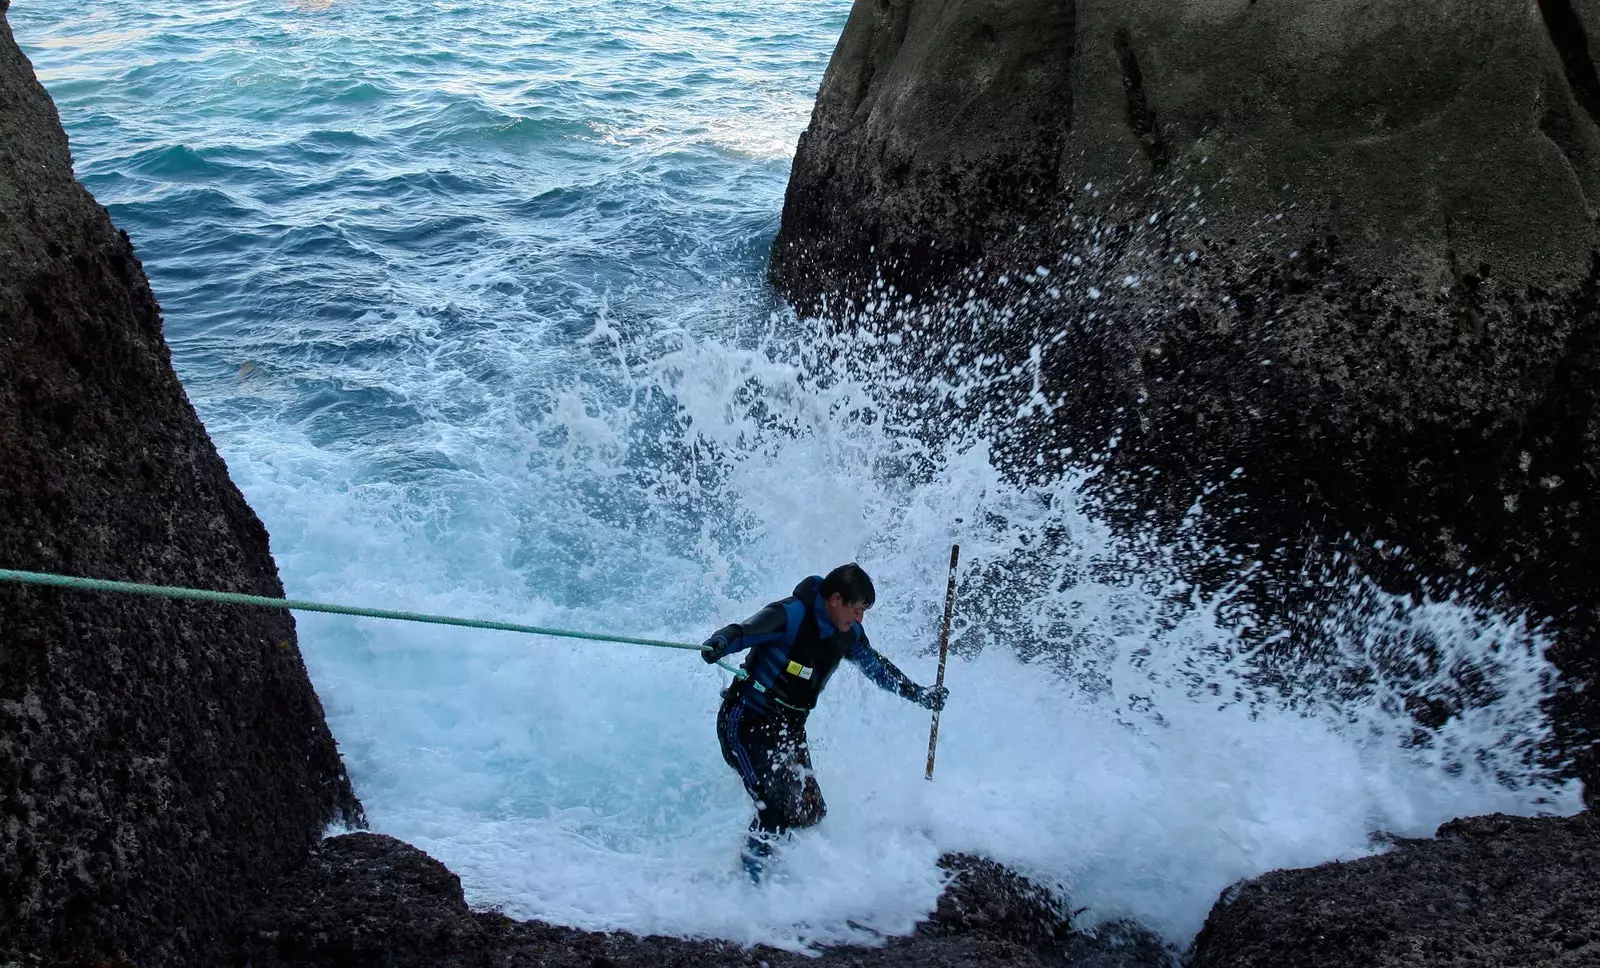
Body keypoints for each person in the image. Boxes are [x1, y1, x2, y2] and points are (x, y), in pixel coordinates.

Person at [701, 563, 948, 882]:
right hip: (745, 722)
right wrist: (720, 641)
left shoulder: (849, 635)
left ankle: (784, 879)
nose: (859, 619)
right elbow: (744, 631)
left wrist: (919, 694)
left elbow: (877, 669)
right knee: (772, 809)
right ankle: (749, 890)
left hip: (788, 731)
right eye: (857, 610)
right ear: (835, 599)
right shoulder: (790, 615)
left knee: (808, 811)